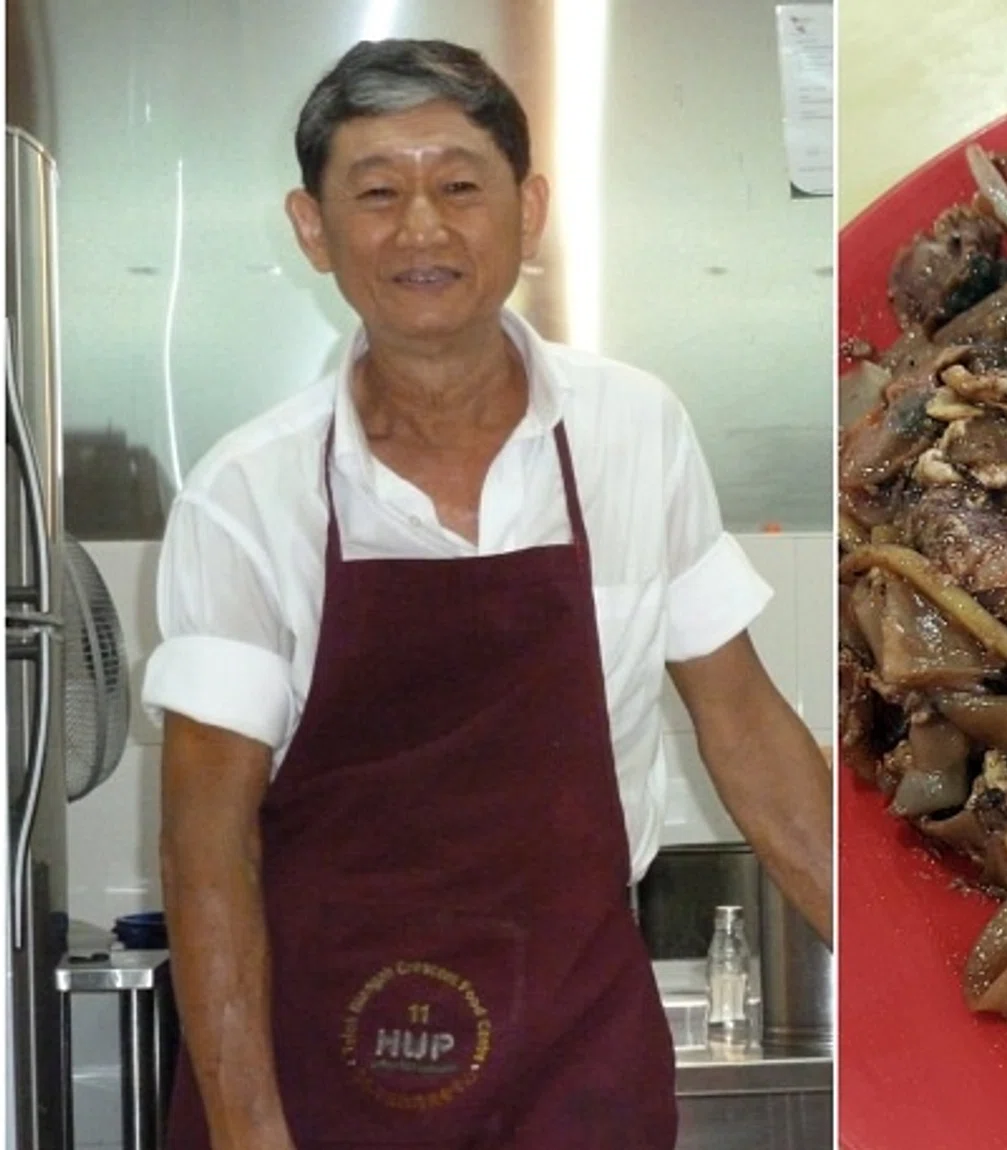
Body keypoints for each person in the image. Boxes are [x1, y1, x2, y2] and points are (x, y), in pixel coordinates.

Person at [144, 38, 831, 1150]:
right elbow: (206, 844)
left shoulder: (633, 430)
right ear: (312, 229)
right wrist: (248, 1130)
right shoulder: (246, 494)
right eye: (378, 192)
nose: (423, 226)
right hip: (327, 1071)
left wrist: (908, 983)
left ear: (530, 208)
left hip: (574, 1058)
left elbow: (744, 725)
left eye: (460, 185)